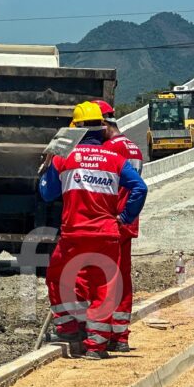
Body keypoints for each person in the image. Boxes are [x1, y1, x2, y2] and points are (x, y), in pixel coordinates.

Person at [39, 101, 147, 360]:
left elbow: (47, 193)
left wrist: (46, 167)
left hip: (74, 234)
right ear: (102, 128)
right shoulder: (116, 159)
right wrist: (124, 217)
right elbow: (140, 188)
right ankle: (96, 347)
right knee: (105, 286)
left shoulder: (64, 157)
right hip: (107, 233)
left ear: (74, 130)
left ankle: (67, 327)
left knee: (59, 277)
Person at [94, 99, 144, 353]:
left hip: (113, 221)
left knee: (104, 278)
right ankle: (121, 335)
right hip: (128, 223)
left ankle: (100, 337)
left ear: (104, 124)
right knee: (122, 278)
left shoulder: (111, 150)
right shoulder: (134, 147)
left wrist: (119, 217)